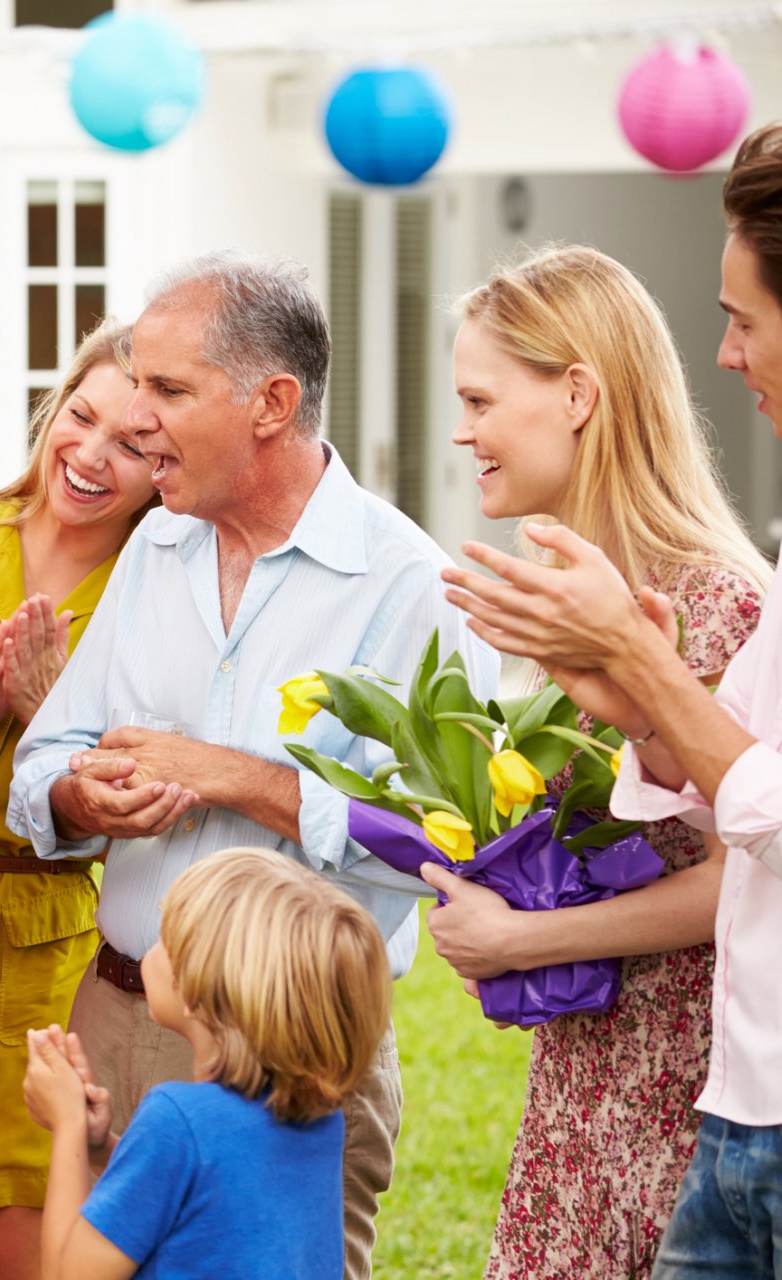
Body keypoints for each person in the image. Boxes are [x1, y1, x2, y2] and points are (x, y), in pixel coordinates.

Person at [6, 251, 498, 1280]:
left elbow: (454, 843)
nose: (137, 418)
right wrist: (75, 792)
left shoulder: (410, 585)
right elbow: (44, 759)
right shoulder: (154, 550)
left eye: (167, 389)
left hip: (301, 1058)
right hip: (120, 1017)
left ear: (273, 402)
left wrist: (233, 775)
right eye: (137, 382)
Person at [438, 124, 782, 1280]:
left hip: (686, 1099)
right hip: (584, 1088)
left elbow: (744, 862)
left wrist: (527, 934)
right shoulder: (567, 613)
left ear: (577, 394)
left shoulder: (719, 601)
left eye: (483, 397)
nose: (463, 428)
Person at [0, 317, 157, 1279]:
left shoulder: (160, 594)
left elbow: (142, 806)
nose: (91, 455)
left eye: (132, 444)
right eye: (82, 416)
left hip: (40, 951)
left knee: (16, 1239)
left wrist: (51, 713)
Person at [23, 847, 392, 1280]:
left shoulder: (176, 1119)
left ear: (200, 993)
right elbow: (200, 1182)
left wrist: (67, 1125)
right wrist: (101, 1147)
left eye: (166, 937)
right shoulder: (318, 1120)